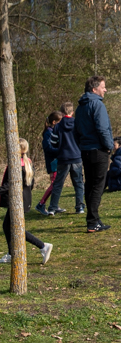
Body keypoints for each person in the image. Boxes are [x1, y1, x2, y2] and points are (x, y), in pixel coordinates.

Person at [0, 138, 54, 266]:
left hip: (18, 201)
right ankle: (12, 253)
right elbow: (31, 184)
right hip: (24, 199)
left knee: (16, 228)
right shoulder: (28, 163)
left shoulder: (16, 165)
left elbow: (9, 185)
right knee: (8, 226)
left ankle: (43, 246)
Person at [76, 75, 113, 232]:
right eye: (103, 87)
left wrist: (81, 145)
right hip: (98, 150)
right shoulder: (97, 105)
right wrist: (109, 146)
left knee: (90, 184)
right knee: (98, 185)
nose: (105, 90)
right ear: (94, 89)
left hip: (85, 150)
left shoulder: (80, 107)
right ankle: (92, 221)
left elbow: (76, 131)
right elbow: (103, 128)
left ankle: (93, 218)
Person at [47, 101, 84, 218]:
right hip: (76, 157)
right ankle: (80, 206)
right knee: (78, 183)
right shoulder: (77, 123)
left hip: (63, 158)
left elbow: (53, 142)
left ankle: (52, 207)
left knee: (58, 184)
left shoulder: (58, 126)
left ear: (61, 113)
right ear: (72, 112)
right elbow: (82, 139)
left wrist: (60, 147)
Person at [36, 111, 62, 216]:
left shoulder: (54, 131)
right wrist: (60, 151)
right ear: (54, 122)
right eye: (60, 121)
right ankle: (41, 204)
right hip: (52, 163)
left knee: (57, 184)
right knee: (54, 184)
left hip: (57, 161)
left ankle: (54, 205)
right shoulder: (48, 133)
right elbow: (48, 148)